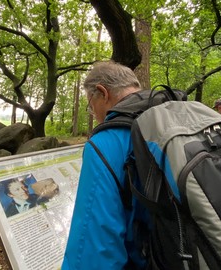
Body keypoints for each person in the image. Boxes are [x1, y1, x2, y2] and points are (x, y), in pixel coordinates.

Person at [62, 60, 149, 269]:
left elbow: (93, 252)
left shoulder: (104, 143)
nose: (95, 114)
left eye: (91, 106)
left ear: (103, 92)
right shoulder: (171, 117)